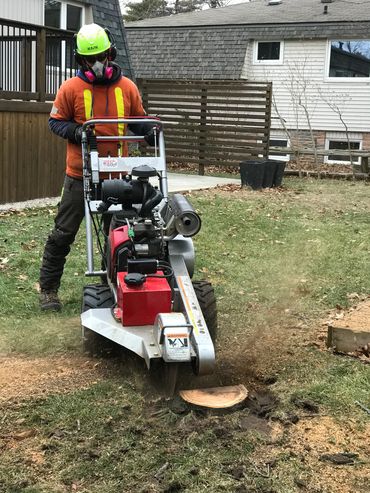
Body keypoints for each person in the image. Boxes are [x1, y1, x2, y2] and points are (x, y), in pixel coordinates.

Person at [39, 23, 156, 311]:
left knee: (116, 232)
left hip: (117, 174)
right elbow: (55, 122)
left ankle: (112, 282)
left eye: (100, 56)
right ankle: (49, 290)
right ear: (80, 61)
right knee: (63, 232)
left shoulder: (126, 87)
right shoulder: (71, 88)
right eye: (89, 60)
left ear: (111, 53)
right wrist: (77, 132)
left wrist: (149, 130)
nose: (96, 64)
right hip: (80, 175)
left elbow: (137, 119)